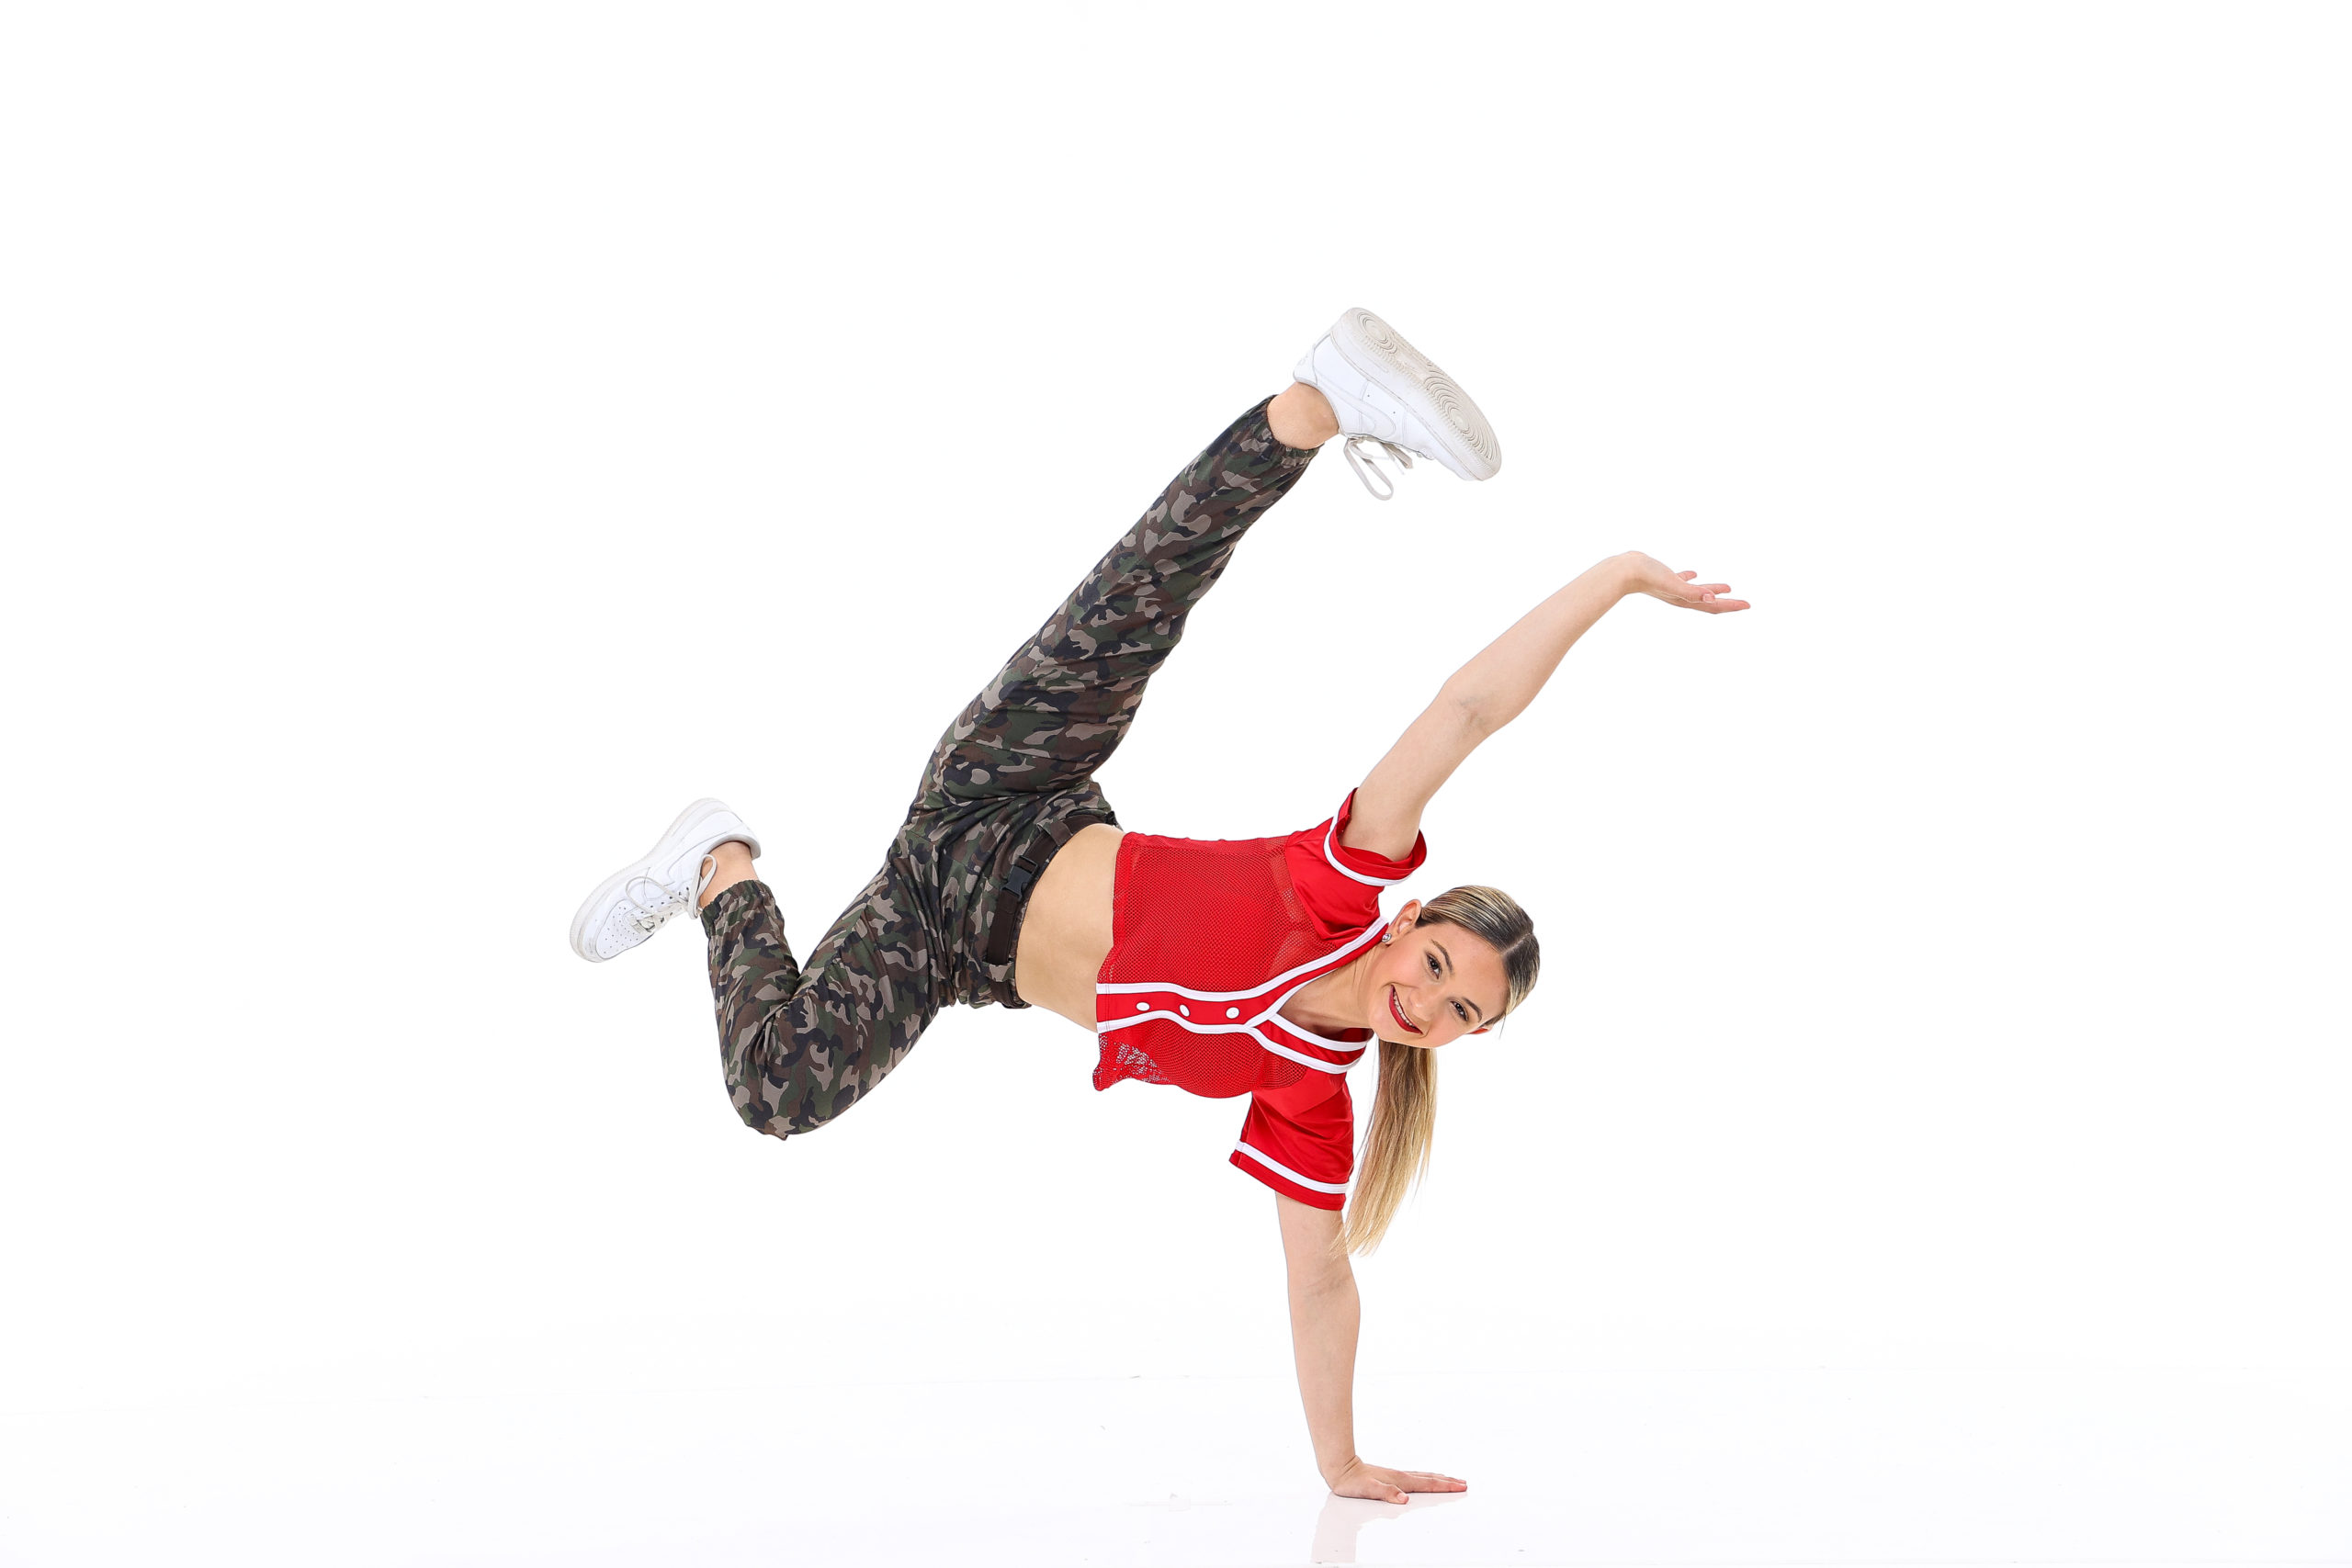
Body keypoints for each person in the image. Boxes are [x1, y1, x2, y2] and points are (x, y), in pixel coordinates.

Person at [568, 308, 1749, 1503]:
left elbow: (1322, 1281)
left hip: (949, 941)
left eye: (1458, 1014)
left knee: (778, 1090)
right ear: (1410, 923)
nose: (1427, 999)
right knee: (1143, 597)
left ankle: (718, 865)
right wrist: (1618, 578)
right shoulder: (1334, 882)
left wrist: (1339, 1462)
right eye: (1441, 964)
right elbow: (1466, 714)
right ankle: (1319, 403)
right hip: (1014, 793)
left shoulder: (1311, 1100)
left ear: (1464, 1043)